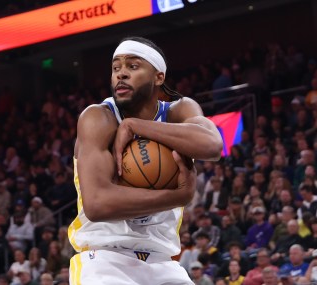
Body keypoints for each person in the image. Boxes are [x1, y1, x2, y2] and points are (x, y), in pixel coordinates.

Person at [67, 36, 223, 285]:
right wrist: (176, 197)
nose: (122, 74)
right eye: (116, 68)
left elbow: (213, 145)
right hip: (106, 259)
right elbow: (97, 205)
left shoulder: (179, 111)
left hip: (163, 262)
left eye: (133, 66)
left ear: (158, 77)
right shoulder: (98, 118)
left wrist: (136, 126)